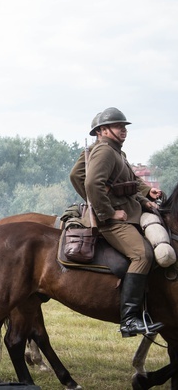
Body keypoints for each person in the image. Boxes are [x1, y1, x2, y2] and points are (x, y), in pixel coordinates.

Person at [84, 107, 163, 337]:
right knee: (143, 255)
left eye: (124, 126)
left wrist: (147, 195)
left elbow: (128, 184)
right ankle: (129, 320)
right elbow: (91, 184)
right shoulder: (105, 152)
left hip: (128, 211)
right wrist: (107, 212)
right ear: (102, 130)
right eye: (118, 126)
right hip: (111, 220)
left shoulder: (118, 152)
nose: (123, 130)